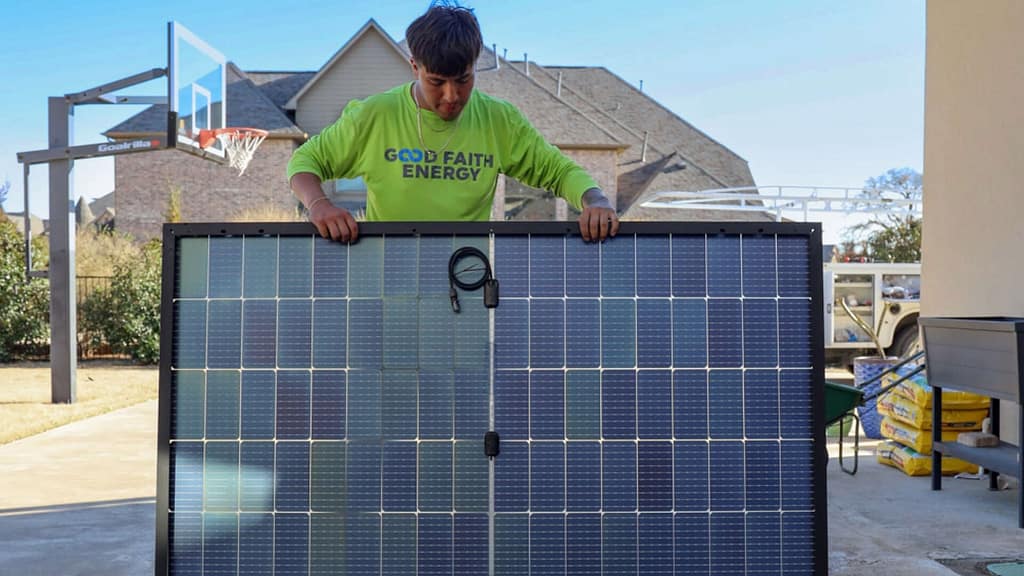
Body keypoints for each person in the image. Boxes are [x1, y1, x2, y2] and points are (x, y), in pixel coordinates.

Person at [287, 2, 619, 243]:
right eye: (436, 82)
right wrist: (318, 204)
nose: (451, 96)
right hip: (388, 279)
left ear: (475, 66)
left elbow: (560, 171)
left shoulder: (499, 120)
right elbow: (304, 162)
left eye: (463, 80)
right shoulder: (374, 115)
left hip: (466, 280)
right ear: (415, 67)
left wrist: (597, 201)